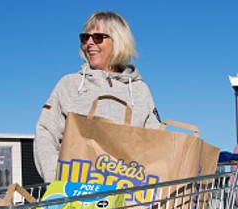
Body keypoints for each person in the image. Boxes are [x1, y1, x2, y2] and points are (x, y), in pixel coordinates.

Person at [33, 11, 161, 182]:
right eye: (85, 38)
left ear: (118, 41)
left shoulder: (139, 90)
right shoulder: (69, 84)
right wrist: (55, 178)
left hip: (128, 193)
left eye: (98, 37)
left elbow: (156, 142)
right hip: (77, 194)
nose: (90, 43)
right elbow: (46, 133)